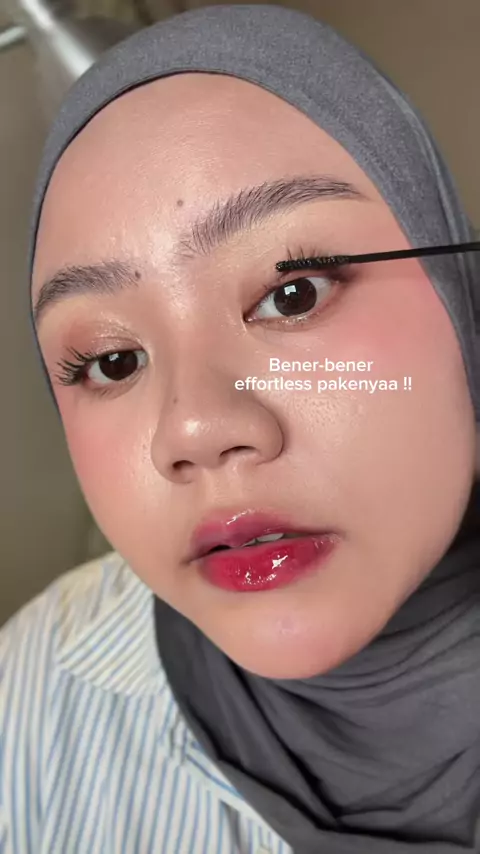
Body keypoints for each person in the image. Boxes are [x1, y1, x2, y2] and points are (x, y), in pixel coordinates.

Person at [1, 4, 479, 852]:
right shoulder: (29, 690)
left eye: (293, 295)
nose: (194, 427)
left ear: (464, 305)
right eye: (112, 361)